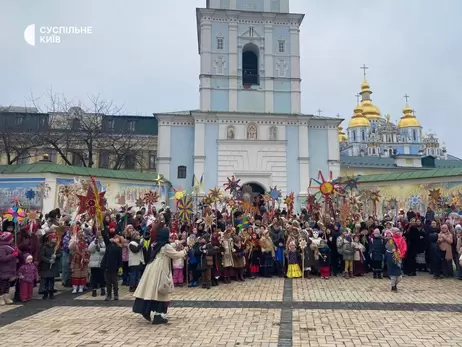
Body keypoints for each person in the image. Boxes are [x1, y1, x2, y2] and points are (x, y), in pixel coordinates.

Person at [132, 227, 188, 324]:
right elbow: (176, 255)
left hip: (152, 269)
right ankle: (158, 315)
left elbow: (169, 245)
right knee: (161, 291)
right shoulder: (165, 247)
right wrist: (185, 251)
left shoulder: (158, 244)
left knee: (151, 291)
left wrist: (178, 242)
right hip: (160, 270)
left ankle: (147, 311)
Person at [0, 232, 19, 305]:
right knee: (2, 285)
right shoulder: (2, 248)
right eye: (11, 238)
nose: (13, 239)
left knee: (8, 284)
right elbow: (2, 258)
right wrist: (13, 255)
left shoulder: (11, 246)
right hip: (3, 270)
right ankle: (1, 298)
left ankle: (6, 297)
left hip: (9, 269)